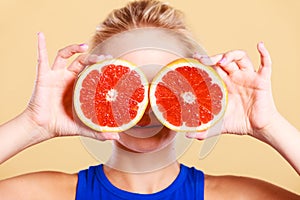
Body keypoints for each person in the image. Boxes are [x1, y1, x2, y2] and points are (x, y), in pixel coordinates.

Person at [0, 0, 299, 199]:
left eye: (164, 85)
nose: (146, 107)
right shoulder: (50, 194)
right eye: (127, 83)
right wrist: (34, 124)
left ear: (194, 92)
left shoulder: (229, 195)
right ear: (95, 91)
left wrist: (269, 125)